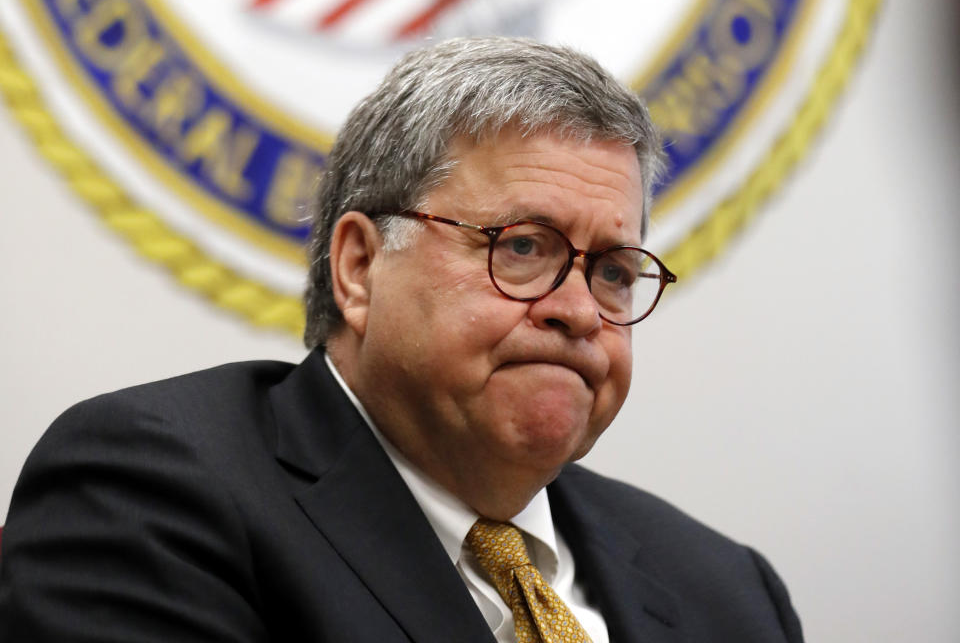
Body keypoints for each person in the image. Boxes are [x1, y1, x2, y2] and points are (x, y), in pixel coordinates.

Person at [0, 37, 804, 640]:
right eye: (523, 247)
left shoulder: (728, 595)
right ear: (358, 266)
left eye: (614, 271)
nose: (581, 311)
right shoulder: (154, 494)